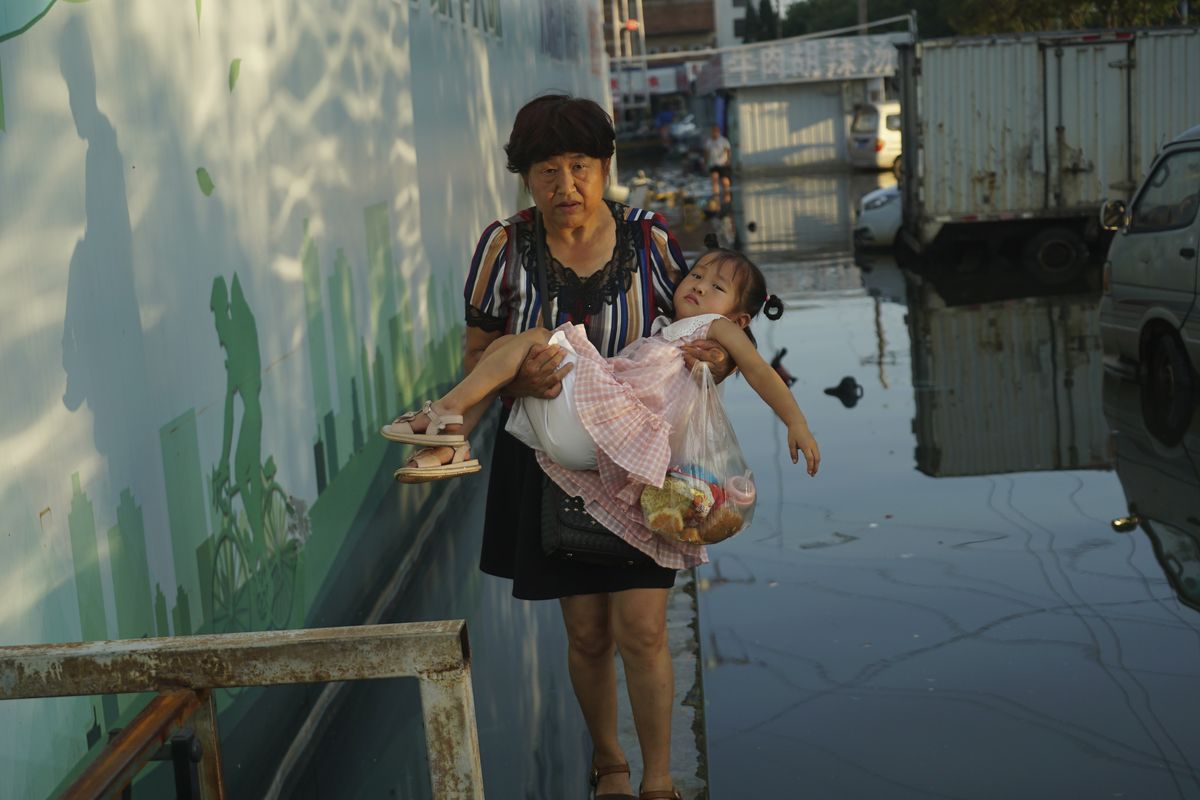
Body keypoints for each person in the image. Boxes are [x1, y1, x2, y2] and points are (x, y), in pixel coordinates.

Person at [385, 93, 730, 800]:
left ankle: (659, 780)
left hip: (640, 461)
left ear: (605, 168)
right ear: (524, 178)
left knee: (642, 628)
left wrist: (719, 363)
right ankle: (610, 764)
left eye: (580, 167)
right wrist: (523, 381)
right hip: (551, 464)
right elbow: (481, 349)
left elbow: (702, 331)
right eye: (546, 171)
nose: (565, 186)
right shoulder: (503, 247)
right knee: (585, 634)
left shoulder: (650, 240)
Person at [384, 248, 821, 569]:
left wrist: (796, 421)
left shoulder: (718, 328)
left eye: (717, 287)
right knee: (506, 345)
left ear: (741, 319)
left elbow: (760, 372)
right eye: (698, 275)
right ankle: (451, 446)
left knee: (534, 337)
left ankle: (444, 414)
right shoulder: (665, 329)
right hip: (590, 435)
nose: (700, 286)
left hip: (605, 431)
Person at [705, 125, 732, 203]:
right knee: (714, 179)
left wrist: (728, 160)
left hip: (722, 163)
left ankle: (727, 195)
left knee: (724, 180)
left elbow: (728, 151)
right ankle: (716, 197)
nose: (714, 133)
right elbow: (706, 152)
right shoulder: (709, 141)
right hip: (713, 163)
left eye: (715, 131)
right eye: (713, 131)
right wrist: (705, 161)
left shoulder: (723, 141)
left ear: (718, 132)